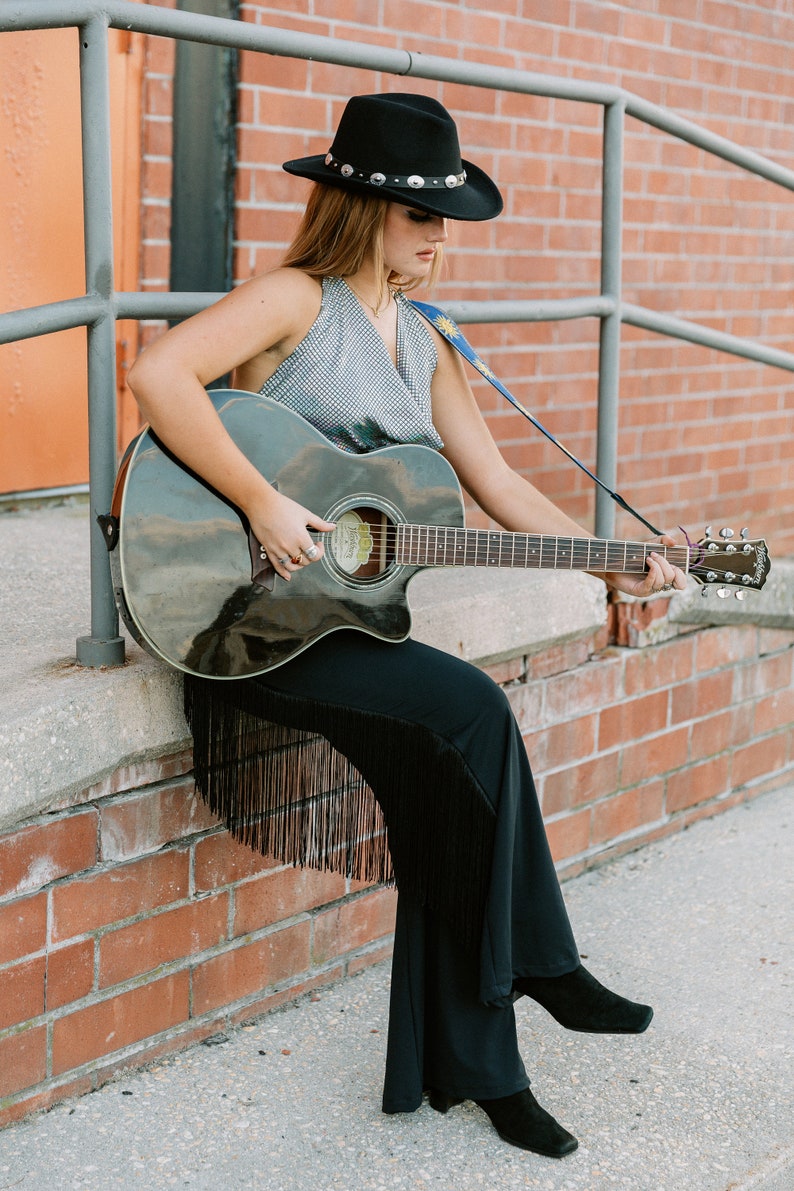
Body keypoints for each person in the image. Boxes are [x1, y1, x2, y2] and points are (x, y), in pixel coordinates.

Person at [127, 92, 686, 1159]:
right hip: (240, 623)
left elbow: (498, 485)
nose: (438, 242)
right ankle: (542, 964)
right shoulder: (295, 300)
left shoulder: (428, 345)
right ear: (360, 207)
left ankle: (477, 1070)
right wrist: (259, 498)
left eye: (444, 223)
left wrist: (616, 557)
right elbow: (158, 375)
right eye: (420, 218)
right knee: (470, 708)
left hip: (339, 624)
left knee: (446, 814)